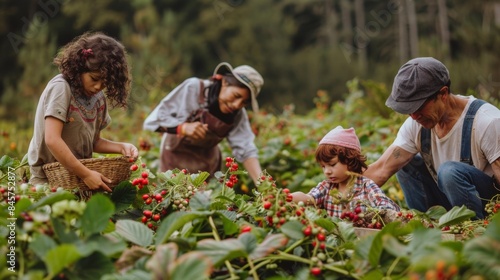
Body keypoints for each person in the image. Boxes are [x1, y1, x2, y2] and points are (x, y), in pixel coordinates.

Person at [364, 57, 500, 219]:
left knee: (449, 172)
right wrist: (338, 195)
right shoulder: (417, 124)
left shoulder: (487, 121)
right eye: (408, 110)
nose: (414, 116)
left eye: (418, 107)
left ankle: (471, 229)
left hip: (487, 208)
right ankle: (427, 225)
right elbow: (381, 169)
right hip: (450, 205)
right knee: (407, 165)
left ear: (442, 94)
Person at [28, 32, 139, 192]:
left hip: (76, 178)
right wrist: (86, 174)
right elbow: (52, 139)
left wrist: (122, 147)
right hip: (47, 180)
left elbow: (94, 142)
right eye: (94, 79)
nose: (98, 87)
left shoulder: (98, 98)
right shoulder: (61, 88)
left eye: (105, 83)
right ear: (80, 67)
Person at [143, 62, 264, 183]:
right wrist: (182, 128)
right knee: (173, 196)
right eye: (236, 95)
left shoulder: (237, 114)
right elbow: (152, 122)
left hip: (207, 168)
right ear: (224, 82)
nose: (237, 105)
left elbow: (246, 150)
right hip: (174, 163)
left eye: (244, 102)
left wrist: (263, 185)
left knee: (204, 201)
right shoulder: (194, 88)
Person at [292, 126, 400, 218]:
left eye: (332, 165)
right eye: (323, 167)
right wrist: (287, 197)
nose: (327, 172)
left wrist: (370, 215)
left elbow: (386, 207)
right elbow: (308, 199)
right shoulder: (327, 187)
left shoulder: (366, 186)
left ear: (350, 160)